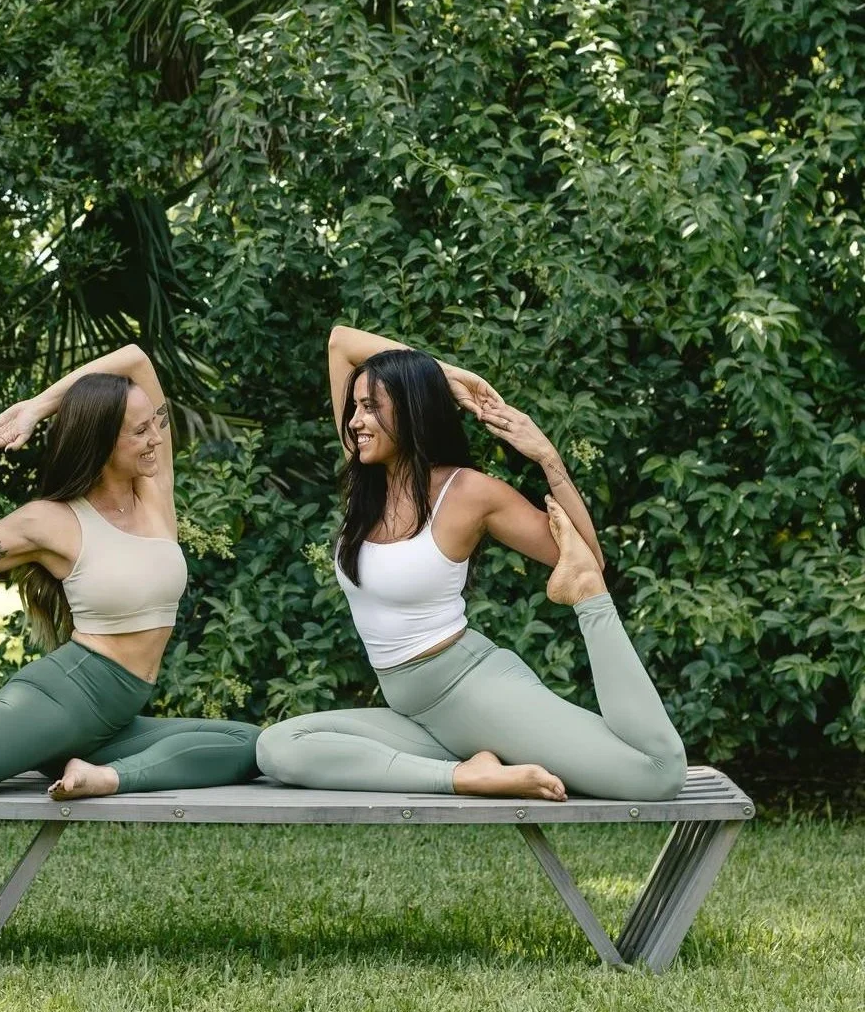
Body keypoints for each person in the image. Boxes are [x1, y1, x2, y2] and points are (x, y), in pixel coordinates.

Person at [255, 325, 687, 802]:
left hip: (474, 693)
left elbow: (586, 556)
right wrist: (450, 374)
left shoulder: (466, 492)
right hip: (412, 711)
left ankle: (477, 761)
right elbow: (340, 341)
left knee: (656, 774)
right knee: (279, 747)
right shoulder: (367, 482)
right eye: (356, 405)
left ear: (413, 409)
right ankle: (467, 775)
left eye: (372, 406)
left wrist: (547, 457)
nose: (356, 419)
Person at [0, 345, 260, 800]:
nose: (157, 437)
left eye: (154, 424)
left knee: (248, 745)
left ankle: (102, 776)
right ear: (103, 442)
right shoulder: (52, 522)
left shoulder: (153, 491)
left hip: (106, 719)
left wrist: (37, 407)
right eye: (140, 431)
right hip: (62, 702)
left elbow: (135, 360)